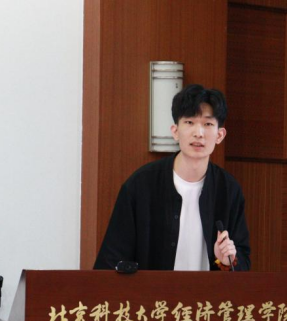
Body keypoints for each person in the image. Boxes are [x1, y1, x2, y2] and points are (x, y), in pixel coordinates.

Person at [93, 84, 250, 271]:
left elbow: (243, 264)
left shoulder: (229, 190)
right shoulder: (141, 185)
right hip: (152, 291)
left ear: (220, 135)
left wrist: (225, 261)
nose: (198, 133)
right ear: (175, 131)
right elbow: (111, 261)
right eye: (189, 122)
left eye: (208, 124)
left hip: (208, 291)